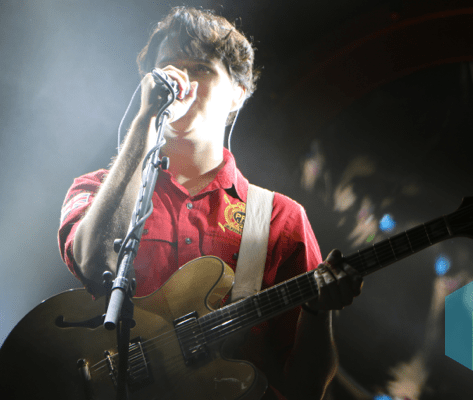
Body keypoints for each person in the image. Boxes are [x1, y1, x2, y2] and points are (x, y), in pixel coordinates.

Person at [57, 6, 362, 400]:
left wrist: (319, 313)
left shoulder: (280, 219)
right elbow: (93, 261)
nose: (182, 81)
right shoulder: (97, 189)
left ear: (237, 94)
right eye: (169, 67)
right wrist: (146, 119)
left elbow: (305, 390)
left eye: (201, 68)